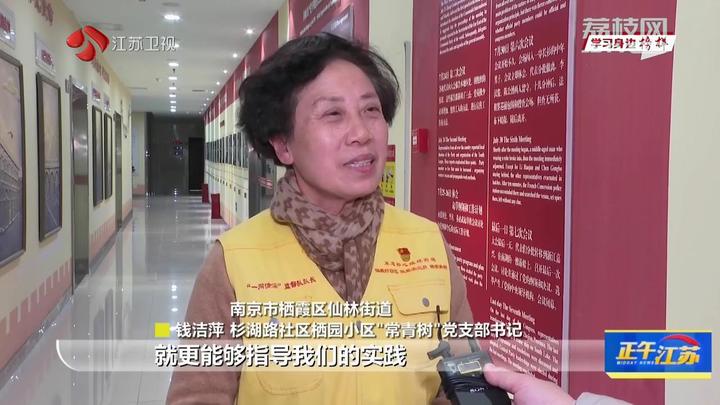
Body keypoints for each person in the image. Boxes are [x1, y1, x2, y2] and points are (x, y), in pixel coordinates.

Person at [166, 33, 628, 405]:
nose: (362, 133)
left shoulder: (427, 242)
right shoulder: (234, 260)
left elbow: (461, 379)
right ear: (282, 144)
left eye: (371, 110)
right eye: (333, 114)